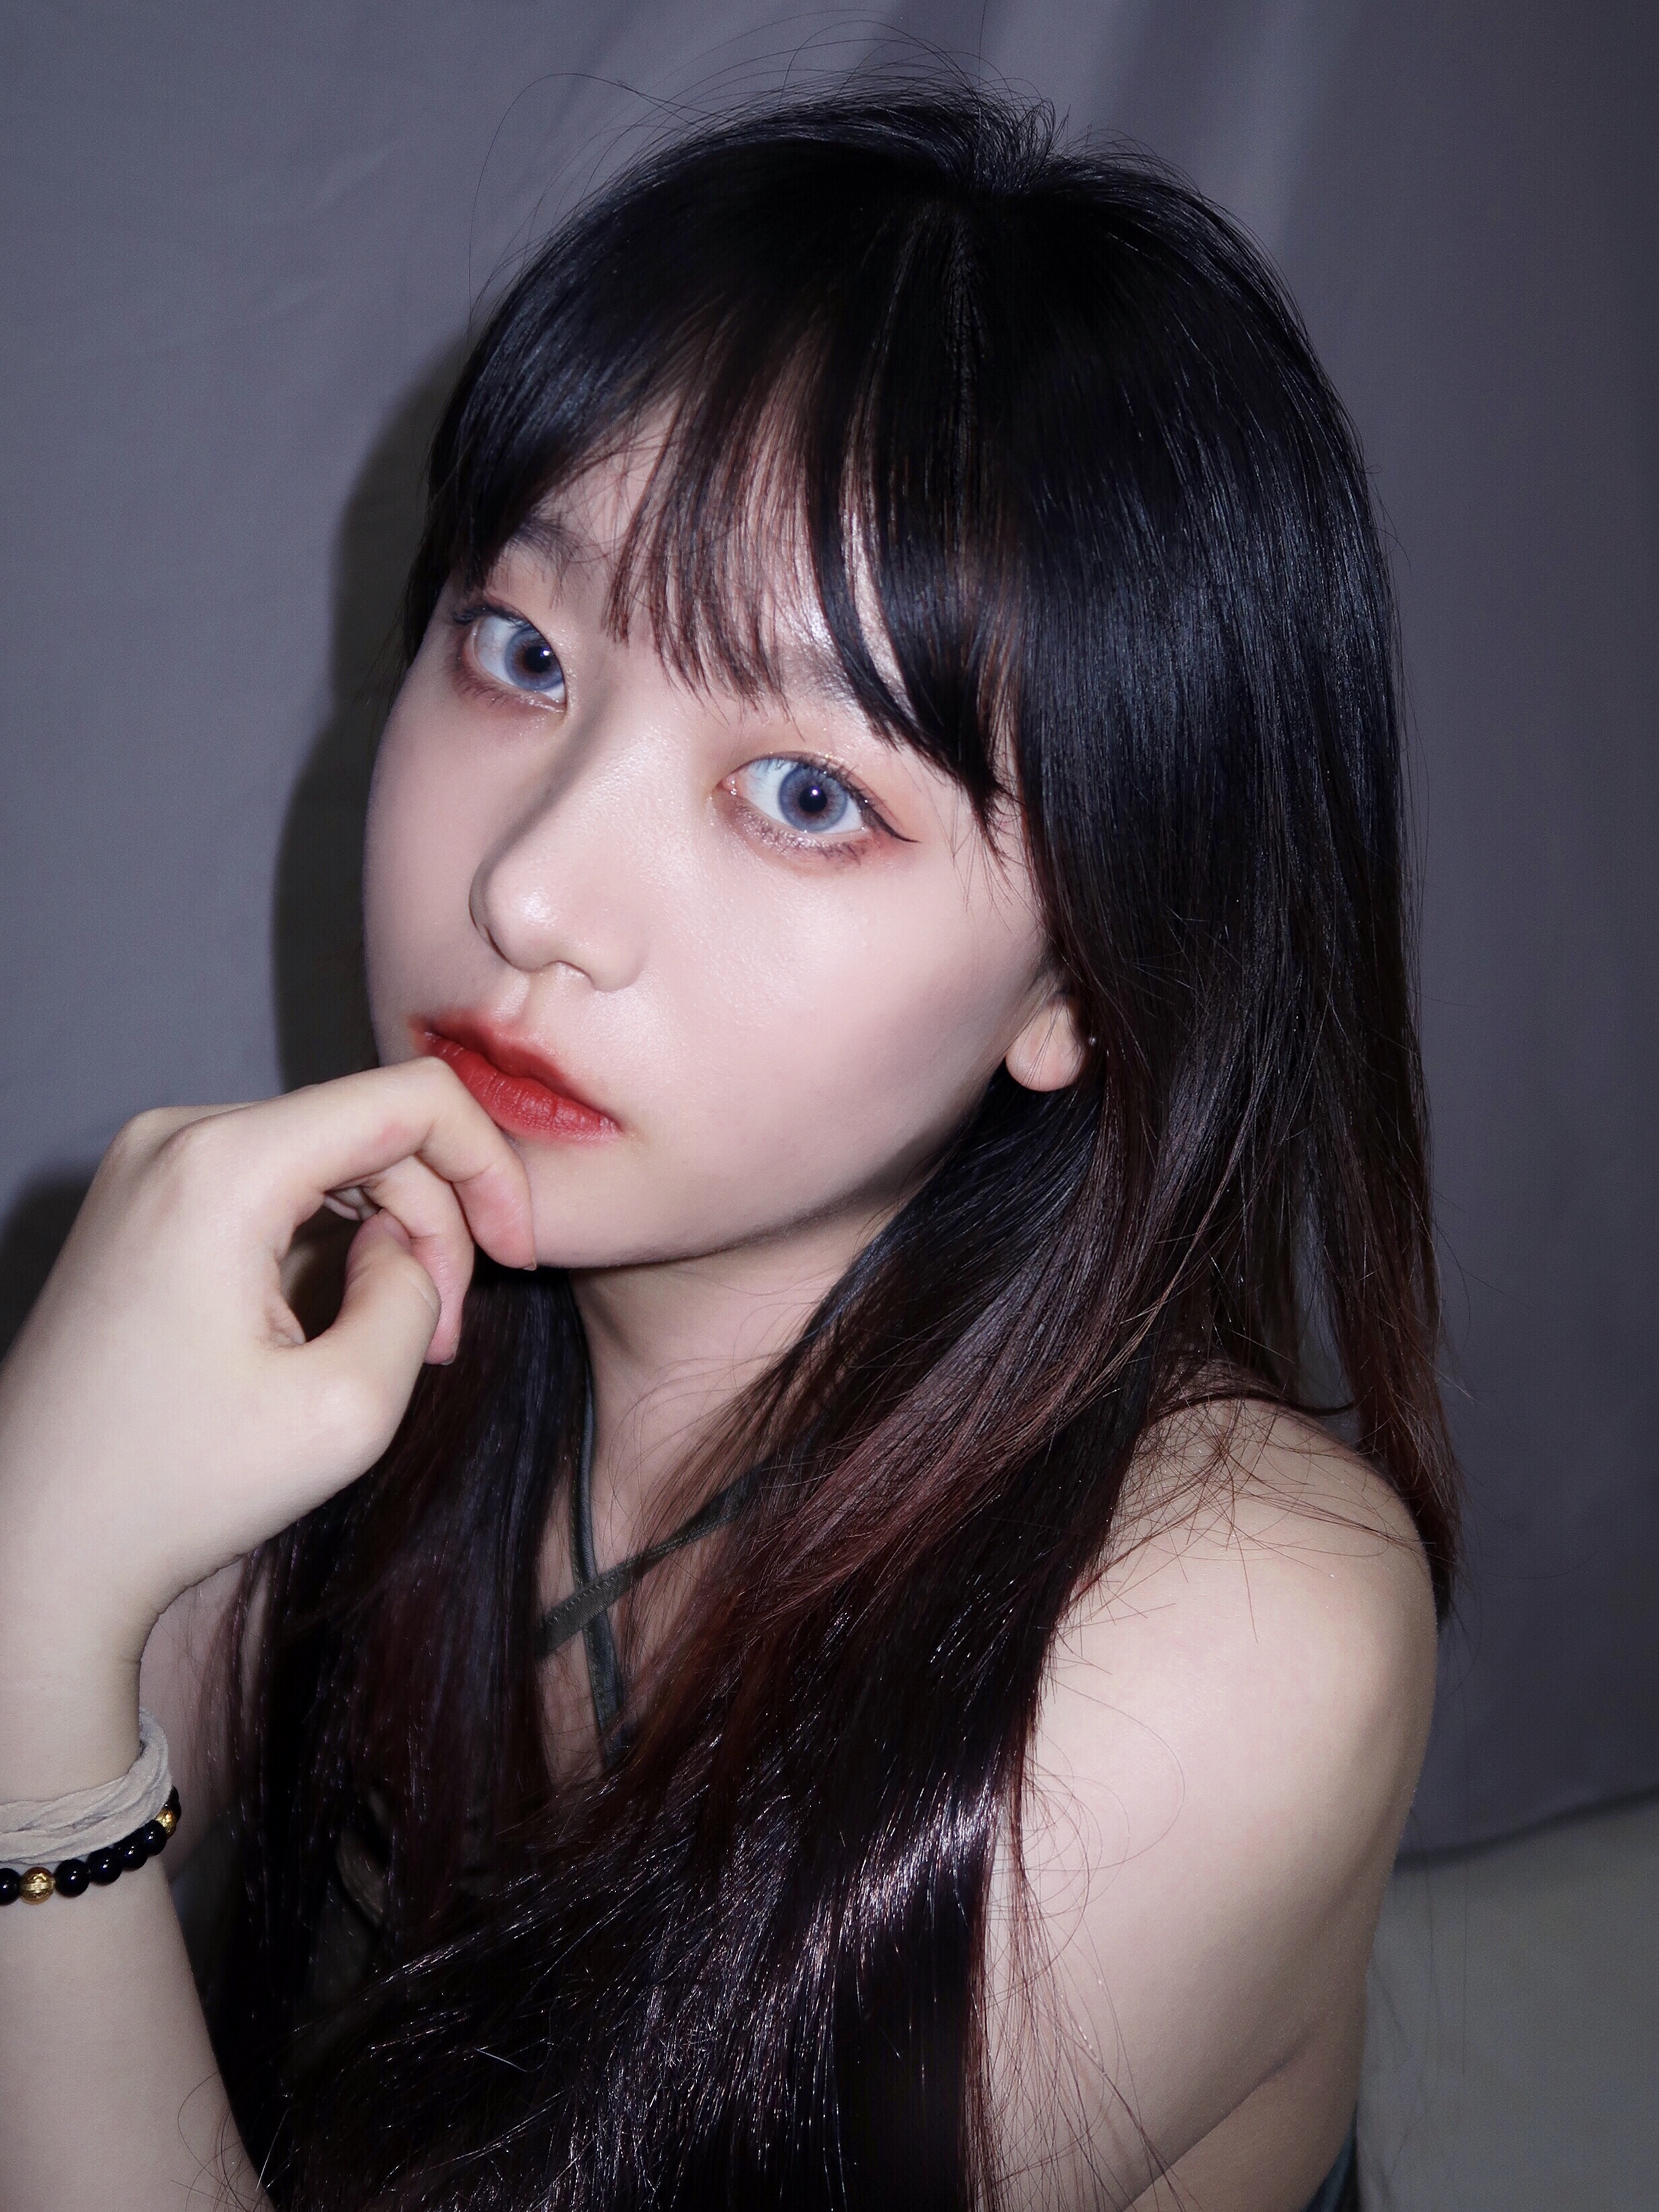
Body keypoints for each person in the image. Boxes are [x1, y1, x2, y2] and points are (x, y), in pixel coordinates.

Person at [0, 89, 1453, 2211]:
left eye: (805, 794)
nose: (529, 892)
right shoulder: (334, 1322)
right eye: (523, 653)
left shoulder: (1222, 1637)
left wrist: (33, 1660)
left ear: (1094, 974)